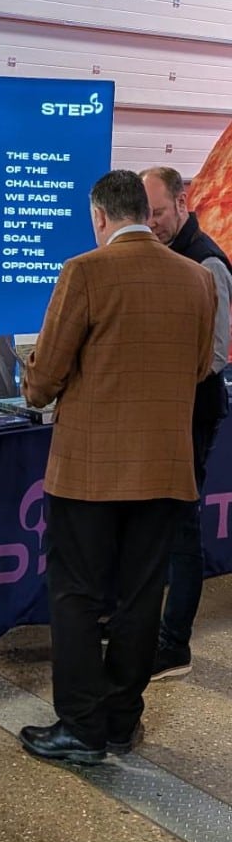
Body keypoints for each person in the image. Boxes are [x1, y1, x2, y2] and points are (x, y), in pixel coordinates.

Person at [19, 170, 215, 765]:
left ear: (100, 216)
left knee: (77, 595)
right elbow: (201, 367)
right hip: (165, 469)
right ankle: (122, 721)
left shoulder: (85, 271)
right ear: (145, 214)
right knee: (141, 596)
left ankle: (82, 726)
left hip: (90, 473)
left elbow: (45, 379)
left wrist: (36, 379)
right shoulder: (197, 278)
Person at [142, 166, 232, 680]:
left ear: (183, 202)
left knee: (182, 526)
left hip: (192, 414)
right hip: (161, 414)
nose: (151, 222)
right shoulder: (162, 254)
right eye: (145, 213)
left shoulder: (208, 262)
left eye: (158, 212)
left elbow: (214, 357)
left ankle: (174, 644)